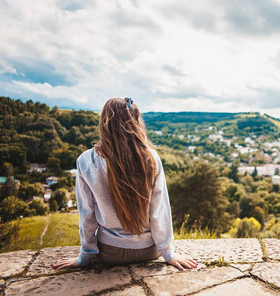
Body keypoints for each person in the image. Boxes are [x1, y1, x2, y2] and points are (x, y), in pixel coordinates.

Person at [52, 98, 197, 271]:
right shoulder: (151, 158)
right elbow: (159, 211)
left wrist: (84, 257)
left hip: (110, 253)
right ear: (136, 123)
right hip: (149, 251)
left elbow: (87, 214)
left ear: (104, 123)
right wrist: (168, 253)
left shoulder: (86, 161)